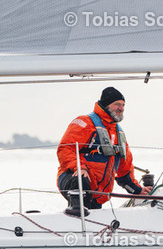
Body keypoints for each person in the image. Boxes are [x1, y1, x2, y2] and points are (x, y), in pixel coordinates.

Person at [56, 86, 150, 216]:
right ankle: (76, 215)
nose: (121, 108)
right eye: (117, 104)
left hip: (98, 195)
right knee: (81, 181)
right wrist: (79, 168)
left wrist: (138, 190)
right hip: (72, 180)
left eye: (123, 105)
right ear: (106, 105)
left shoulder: (119, 134)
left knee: (93, 211)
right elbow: (65, 148)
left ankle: (87, 219)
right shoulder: (84, 122)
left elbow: (124, 171)